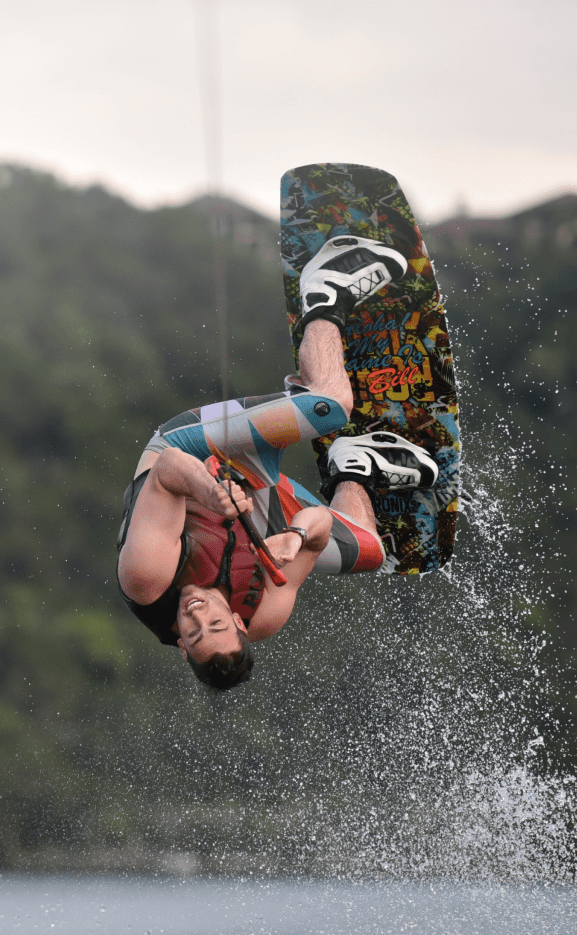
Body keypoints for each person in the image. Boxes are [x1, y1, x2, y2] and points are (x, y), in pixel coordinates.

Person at [115, 237, 441, 690]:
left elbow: (169, 470)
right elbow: (322, 525)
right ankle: (355, 464)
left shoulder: (148, 578)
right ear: (239, 624)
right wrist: (297, 537)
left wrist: (211, 492)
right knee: (374, 552)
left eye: (194, 632)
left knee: (330, 405)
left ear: (182, 646)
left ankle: (326, 295)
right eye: (215, 625)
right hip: (255, 502)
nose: (197, 616)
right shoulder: (264, 613)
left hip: (194, 452)